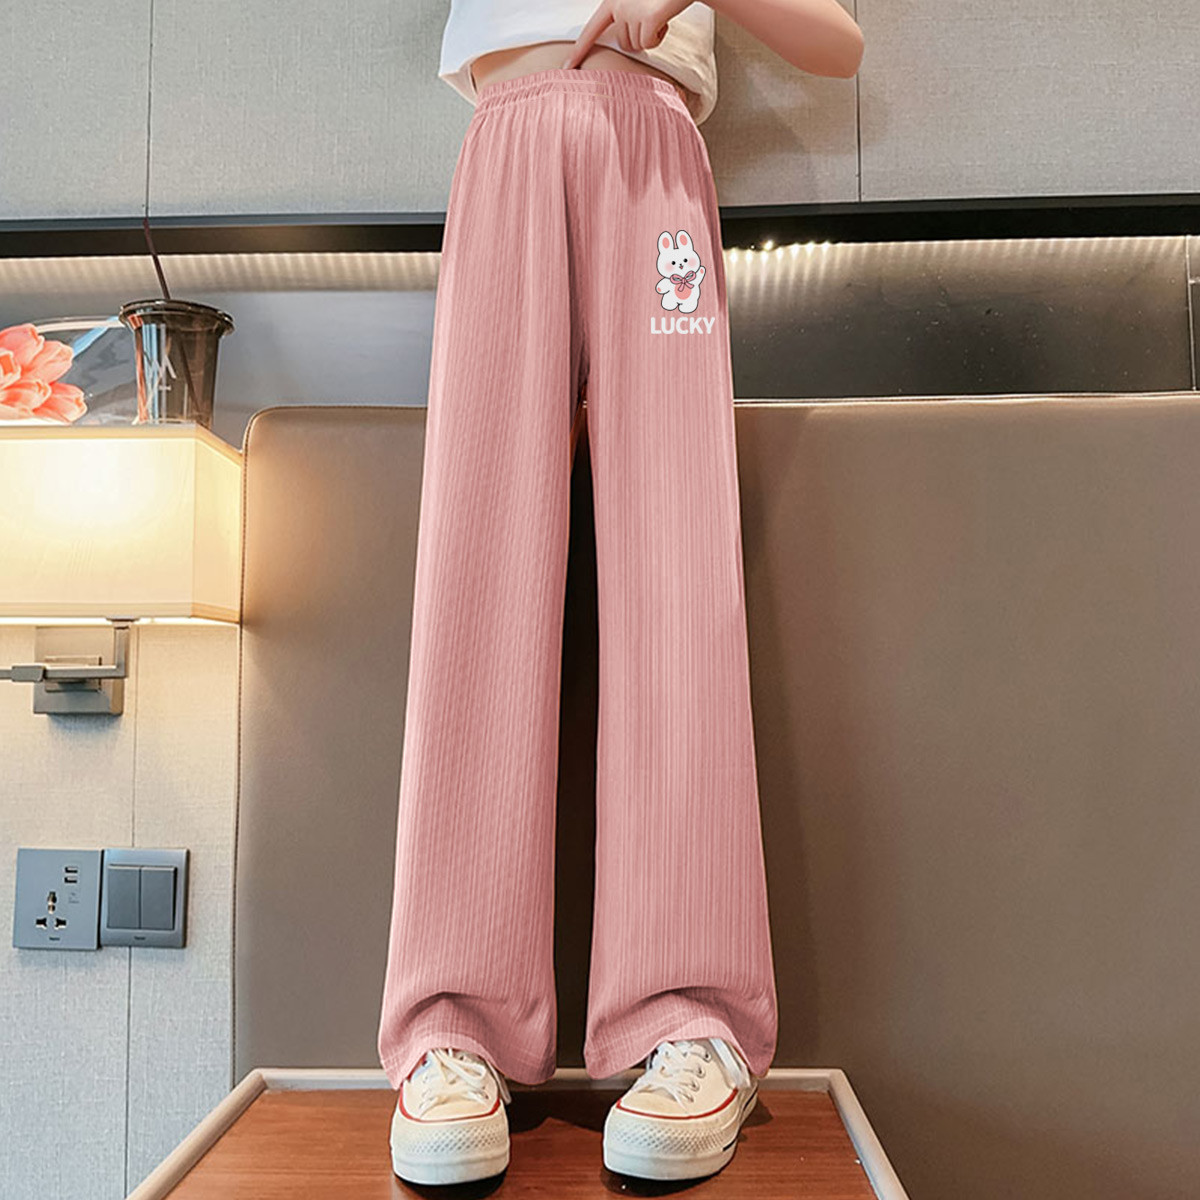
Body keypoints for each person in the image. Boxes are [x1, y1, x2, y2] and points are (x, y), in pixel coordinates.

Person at [377, 0, 864, 1186]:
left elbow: (837, 43)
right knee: (479, 570)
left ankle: (690, 1014)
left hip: (653, 149)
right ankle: (452, 1025)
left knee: (675, 568)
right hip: (507, 140)